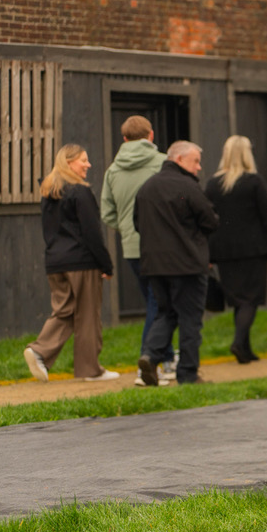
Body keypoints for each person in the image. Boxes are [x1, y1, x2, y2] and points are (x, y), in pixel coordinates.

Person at [24, 144, 119, 383]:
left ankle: (39, 351)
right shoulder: (80, 191)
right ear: (68, 163)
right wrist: (106, 264)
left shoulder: (48, 191)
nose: (88, 165)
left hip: (55, 262)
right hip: (82, 262)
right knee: (88, 314)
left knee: (64, 310)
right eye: (83, 161)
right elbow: (92, 233)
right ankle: (90, 370)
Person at [133, 141, 219, 386]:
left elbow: (138, 223)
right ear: (179, 159)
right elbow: (211, 221)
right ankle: (188, 373)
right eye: (195, 161)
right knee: (190, 318)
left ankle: (150, 356)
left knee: (165, 313)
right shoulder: (188, 187)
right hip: (188, 264)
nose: (199, 167)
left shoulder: (147, 188)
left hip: (154, 265)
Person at [99, 115, 175, 383]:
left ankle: (165, 357)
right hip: (162, 246)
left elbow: (107, 213)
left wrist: (127, 229)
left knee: (154, 301)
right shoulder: (164, 163)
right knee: (160, 303)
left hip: (131, 247)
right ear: (151, 135)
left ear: (124, 138)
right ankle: (150, 361)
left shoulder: (112, 171)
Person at [204, 135, 267, 364]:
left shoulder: (212, 184)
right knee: (250, 299)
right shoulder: (254, 181)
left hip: (224, 252)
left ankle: (245, 350)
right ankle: (239, 343)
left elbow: (208, 220)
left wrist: (208, 252)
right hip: (253, 250)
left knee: (238, 299)